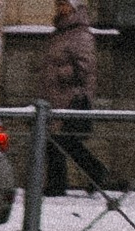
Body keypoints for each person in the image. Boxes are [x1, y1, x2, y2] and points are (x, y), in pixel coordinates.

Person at [42, 0, 114, 196]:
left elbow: (85, 67)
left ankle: (91, 172)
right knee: (56, 140)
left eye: (64, 4)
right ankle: (60, 183)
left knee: (63, 140)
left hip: (71, 96)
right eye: (58, 4)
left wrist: (61, 73)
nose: (59, 8)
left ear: (73, 8)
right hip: (57, 95)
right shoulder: (61, 31)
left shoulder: (80, 34)